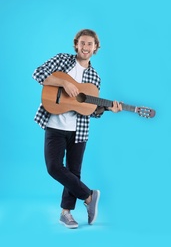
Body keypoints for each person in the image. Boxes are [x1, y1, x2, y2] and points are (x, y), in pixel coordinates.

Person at [32, 29, 122, 229]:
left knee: (74, 172)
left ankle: (66, 214)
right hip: (54, 125)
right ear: (76, 44)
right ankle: (89, 196)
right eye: (82, 43)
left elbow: (90, 110)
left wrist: (107, 109)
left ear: (96, 48)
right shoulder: (62, 60)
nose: (85, 47)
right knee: (54, 167)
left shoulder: (95, 77)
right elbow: (37, 73)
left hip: (78, 130)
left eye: (90, 44)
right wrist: (63, 82)